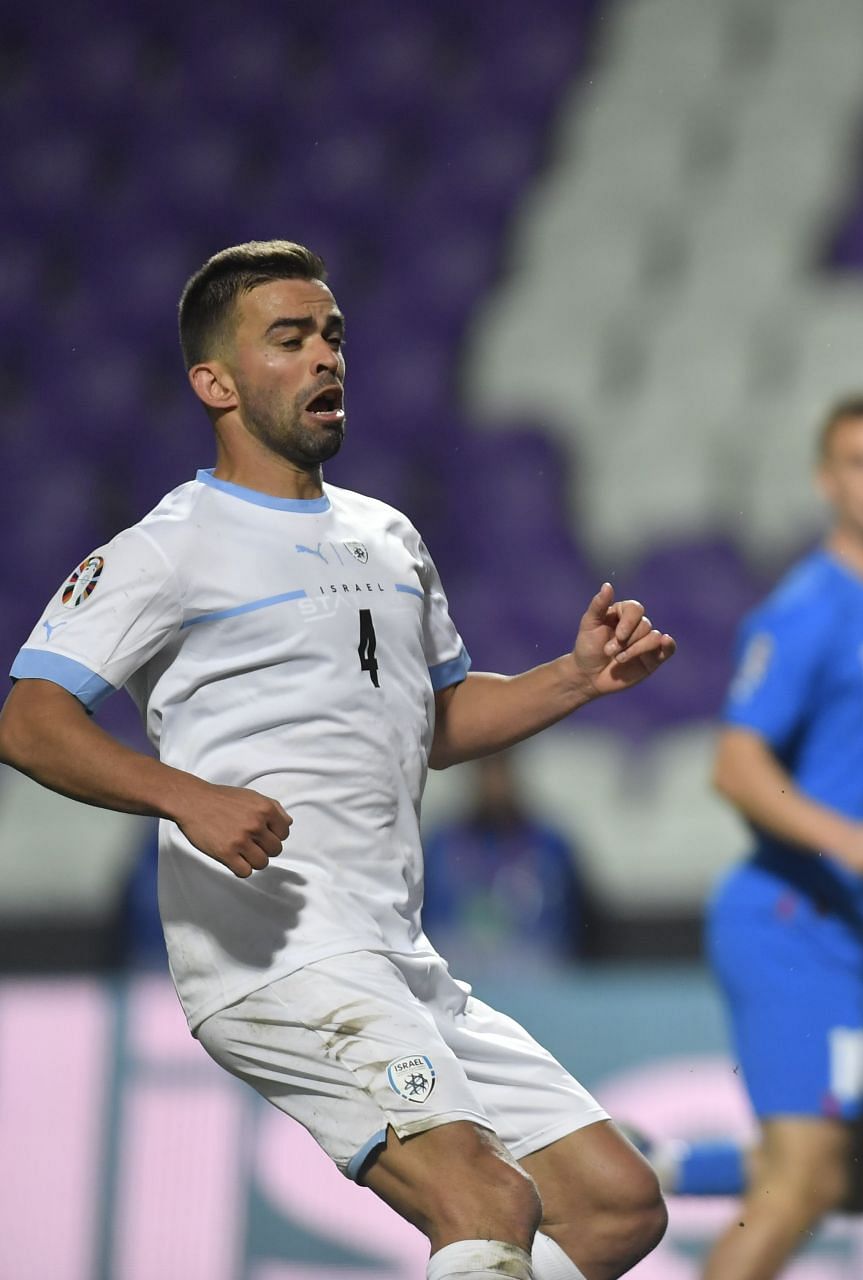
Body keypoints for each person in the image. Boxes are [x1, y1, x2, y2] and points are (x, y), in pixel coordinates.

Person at [0, 242, 676, 1280]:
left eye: (332, 335)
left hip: (395, 948)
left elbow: (436, 720)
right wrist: (188, 798)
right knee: (485, 1197)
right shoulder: (169, 546)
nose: (325, 357)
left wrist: (574, 679)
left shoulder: (388, 535)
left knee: (615, 1205)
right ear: (214, 382)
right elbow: (31, 719)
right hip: (274, 948)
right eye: (290, 338)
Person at [647, 392, 863, 1280]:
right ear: (825, 480)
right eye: (859, 463)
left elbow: (853, 761)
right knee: (802, 1189)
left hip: (838, 933)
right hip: (788, 918)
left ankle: (666, 1168)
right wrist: (841, 838)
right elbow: (737, 765)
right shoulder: (809, 607)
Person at [422, 750, 587, 978]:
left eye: (501, 774)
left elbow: (578, 923)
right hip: (456, 972)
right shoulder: (441, 845)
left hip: (537, 975)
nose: (495, 786)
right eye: (486, 775)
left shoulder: (550, 845)